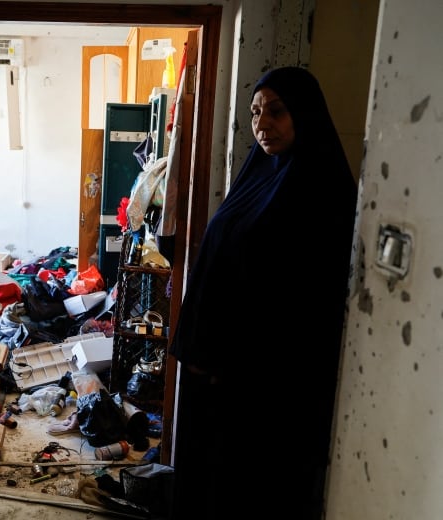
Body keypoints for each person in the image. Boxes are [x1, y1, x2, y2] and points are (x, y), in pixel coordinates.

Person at [169, 67, 357, 519]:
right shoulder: (258, 175)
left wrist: (227, 358)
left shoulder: (321, 192)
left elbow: (301, 297)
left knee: (251, 487)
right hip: (217, 369)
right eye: (255, 113)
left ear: (303, 114)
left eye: (276, 111)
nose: (262, 124)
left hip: (266, 382)